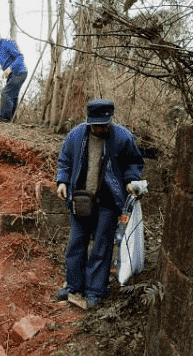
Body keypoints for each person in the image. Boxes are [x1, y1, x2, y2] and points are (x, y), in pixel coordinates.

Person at [55, 99, 144, 308]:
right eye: (95, 124)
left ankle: (95, 290)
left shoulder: (123, 137)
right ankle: (74, 286)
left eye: (103, 124)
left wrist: (131, 180)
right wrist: (62, 181)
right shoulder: (76, 136)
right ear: (88, 121)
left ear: (109, 120)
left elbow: (134, 162)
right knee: (76, 243)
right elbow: (65, 160)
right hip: (81, 198)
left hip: (108, 201)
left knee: (101, 247)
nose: (99, 128)